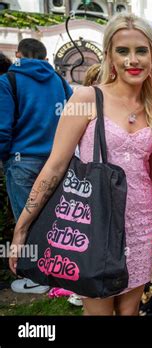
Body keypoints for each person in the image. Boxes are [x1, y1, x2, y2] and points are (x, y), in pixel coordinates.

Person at [9, 12, 152, 316]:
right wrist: (22, 228)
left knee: (130, 312)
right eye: (123, 51)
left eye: (141, 50)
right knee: (99, 313)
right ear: (109, 56)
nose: (133, 60)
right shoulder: (87, 98)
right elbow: (55, 166)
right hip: (95, 222)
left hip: (141, 222)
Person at [0, 39, 73, 294]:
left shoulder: (8, 80)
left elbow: (2, 127)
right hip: (56, 161)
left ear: (18, 55)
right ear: (44, 56)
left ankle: (37, 278)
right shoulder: (58, 80)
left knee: (25, 221)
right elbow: (73, 115)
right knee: (54, 219)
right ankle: (57, 271)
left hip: (22, 162)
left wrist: (4, 157)